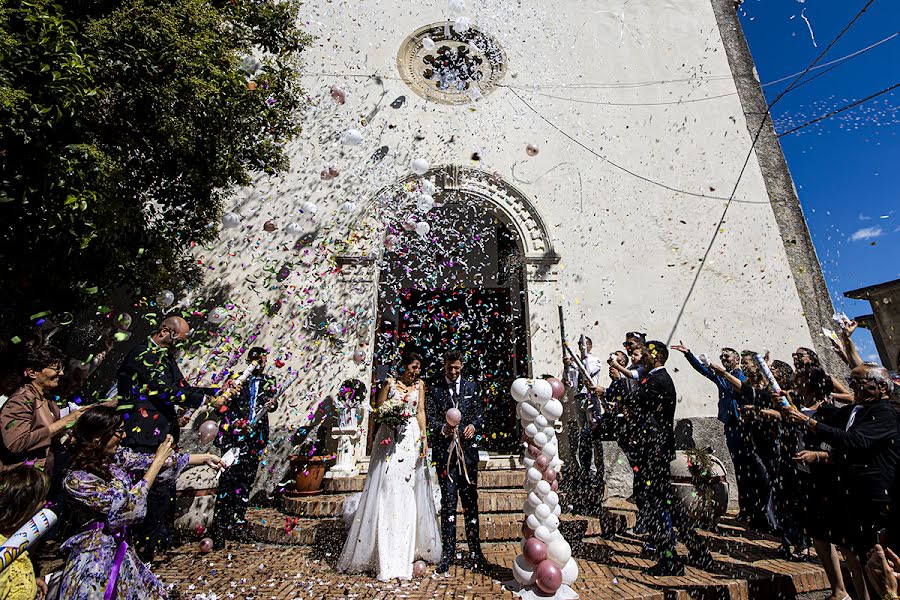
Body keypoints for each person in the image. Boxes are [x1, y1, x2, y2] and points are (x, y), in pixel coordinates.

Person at [58, 405, 222, 599]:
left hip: (122, 548)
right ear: (97, 437)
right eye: (118, 431)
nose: (125, 435)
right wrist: (156, 464)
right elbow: (127, 507)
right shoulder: (77, 480)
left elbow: (153, 460)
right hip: (95, 559)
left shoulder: (113, 460)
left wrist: (204, 457)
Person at [784, 364, 900, 598]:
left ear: (880, 387)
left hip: (879, 500)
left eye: (858, 381)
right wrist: (787, 408)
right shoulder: (854, 410)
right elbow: (820, 421)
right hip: (854, 497)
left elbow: (853, 441)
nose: (851, 386)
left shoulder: (884, 413)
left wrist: (806, 422)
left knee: (884, 562)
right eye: (851, 380)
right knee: (868, 560)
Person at [117, 316, 220, 561]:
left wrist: (217, 392)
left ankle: (148, 551)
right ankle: (133, 556)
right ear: (165, 331)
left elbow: (182, 387)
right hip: (141, 437)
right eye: (180, 339)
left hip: (162, 439)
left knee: (160, 499)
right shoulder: (142, 354)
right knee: (144, 500)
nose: (181, 345)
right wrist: (206, 400)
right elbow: (163, 390)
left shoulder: (167, 358)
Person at [338, 352, 440, 581]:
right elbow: (379, 408)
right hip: (390, 439)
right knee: (386, 488)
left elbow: (420, 412)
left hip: (410, 439)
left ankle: (405, 550)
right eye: (413, 367)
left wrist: (423, 439)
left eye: (418, 368)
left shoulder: (420, 386)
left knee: (406, 491)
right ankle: (382, 552)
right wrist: (391, 417)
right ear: (403, 367)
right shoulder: (389, 383)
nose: (416, 372)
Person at [623, 340, 711, 576]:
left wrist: (619, 393)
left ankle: (670, 560)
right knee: (668, 504)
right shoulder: (656, 378)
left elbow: (637, 401)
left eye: (647, 353)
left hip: (654, 451)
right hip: (655, 450)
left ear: (657, 357)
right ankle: (698, 551)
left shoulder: (657, 379)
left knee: (654, 504)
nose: (642, 356)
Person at [670, 342, 756, 521]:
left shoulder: (741, 376)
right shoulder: (722, 376)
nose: (724, 359)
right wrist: (689, 354)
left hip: (744, 425)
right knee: (739, 468)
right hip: (730, 424)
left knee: (750, 469)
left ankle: (755, 509)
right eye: (722, 357)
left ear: (737, 358)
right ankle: (746, 509)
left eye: (727, 356)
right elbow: (704, 371)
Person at [426, 350, 489, 574]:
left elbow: (480, 413)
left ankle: (475, 552)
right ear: (444, 366)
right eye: (449, 368)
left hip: (469, 456)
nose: (453, 372)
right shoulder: (434, 390)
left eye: (457, 368)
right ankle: (448, 553)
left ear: (462, 366)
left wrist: (474, 425)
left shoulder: (472, 387)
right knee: (449, 503)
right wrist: (442, 428)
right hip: (446, 457)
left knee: (471, 503)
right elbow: (429, 417)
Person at [211, 347, 278, 547]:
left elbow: (273, 404)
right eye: (257, 360)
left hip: (255, 437)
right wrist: (235, 423)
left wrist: (271, 404)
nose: (260, 364)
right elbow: (222, 406)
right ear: (249, 360)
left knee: (245, 481)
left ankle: (238, 522)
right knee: (227, 480)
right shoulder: (237, 380)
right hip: (234, 437)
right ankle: (220, 527)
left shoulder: (269, 382)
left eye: (263, 361)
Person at [0, 343, 87, 473]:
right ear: (32, 372)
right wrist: (64, 422)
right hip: (17, 478)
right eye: (56, 369)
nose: (61, 373)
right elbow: (16, 443)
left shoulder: (48, 400)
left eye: (61, 368)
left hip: (39, 476)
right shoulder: (21, 400)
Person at [562, 336, 606, 505]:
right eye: (579, 345)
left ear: (590, 346)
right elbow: (573, 383)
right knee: (583, 433)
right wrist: (568, 370)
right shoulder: (576, 362)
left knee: (593, 431)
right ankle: (585, 470)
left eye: (584, 345)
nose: (581, 348)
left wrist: (574, 363)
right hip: (580, 397)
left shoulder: (594, 361)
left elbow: (587, 372)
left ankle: (596, 471)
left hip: (592, 397)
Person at [0, 466, 50, 600]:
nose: (45, 504)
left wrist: (30, 583)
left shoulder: (16, 543)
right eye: (41, 500)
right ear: (24, 506)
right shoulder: (3, 553)